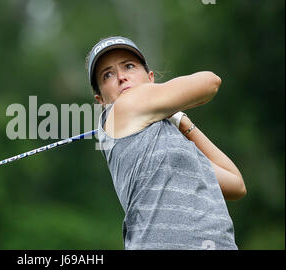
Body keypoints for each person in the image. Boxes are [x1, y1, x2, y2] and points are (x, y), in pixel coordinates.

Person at [86, 36, 246, 250]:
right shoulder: (124, 107)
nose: (121, 78)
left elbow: (236, 184)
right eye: (108, 75)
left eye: (129, 66)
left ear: (150, 77)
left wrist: (181, 121)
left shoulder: (175, 144)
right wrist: (171, 105)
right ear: (102, 101)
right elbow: (210, 82)